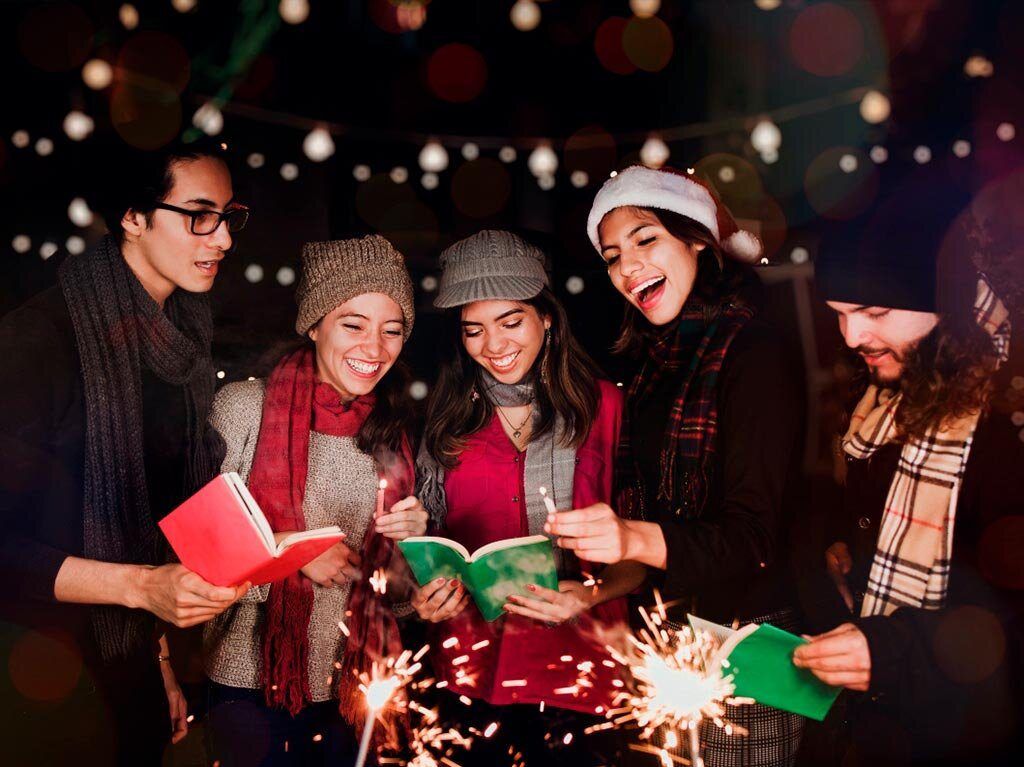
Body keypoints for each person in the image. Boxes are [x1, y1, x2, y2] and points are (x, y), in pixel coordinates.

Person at [0, 140, 250, 765]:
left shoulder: (185, 349)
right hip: (35, 678)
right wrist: (141, 588)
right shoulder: (39, 339)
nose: (221, 240)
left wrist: (159, 663)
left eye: (227, 217)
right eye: (198, 215)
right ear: (133, 218)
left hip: (128, 666)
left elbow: (151, 531)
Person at [547, 165, 807, 766]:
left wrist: (629, 534)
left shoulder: (755, 353)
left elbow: (754, 539)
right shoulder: (648, 370)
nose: (627, 267)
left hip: (752, 652)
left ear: (696, 239)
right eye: (613, 256)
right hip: (666, 647)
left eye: (646, 239)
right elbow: (652, 553)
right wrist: (589, 594)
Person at [793, 181, 1023, 767]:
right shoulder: (891, 388)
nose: (852, 337)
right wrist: (849, 552)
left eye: (873, 312)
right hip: (892, 727)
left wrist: (898, 650)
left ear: (945, 295)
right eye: (839, 315)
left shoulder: (1008, 415)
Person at [412, 230, 642, 767]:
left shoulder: (607, 408)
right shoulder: (443, 424)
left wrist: (586, 595)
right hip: (472, 673)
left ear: (547, 318)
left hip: (587, 673)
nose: (493, 346)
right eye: (474, 330)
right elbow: (423, 551)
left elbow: (645, 552)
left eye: (511, 322)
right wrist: (421, 591)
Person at [203, 235, 428, 767]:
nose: (374, 349)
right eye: (353, 325)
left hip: (356, 688)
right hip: (248, 684)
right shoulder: (243, 408)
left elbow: (389, 595)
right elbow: (195, 554)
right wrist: (290, 552)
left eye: (391, 331)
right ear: (314, 324)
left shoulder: (393, 431)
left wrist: (411, 548)